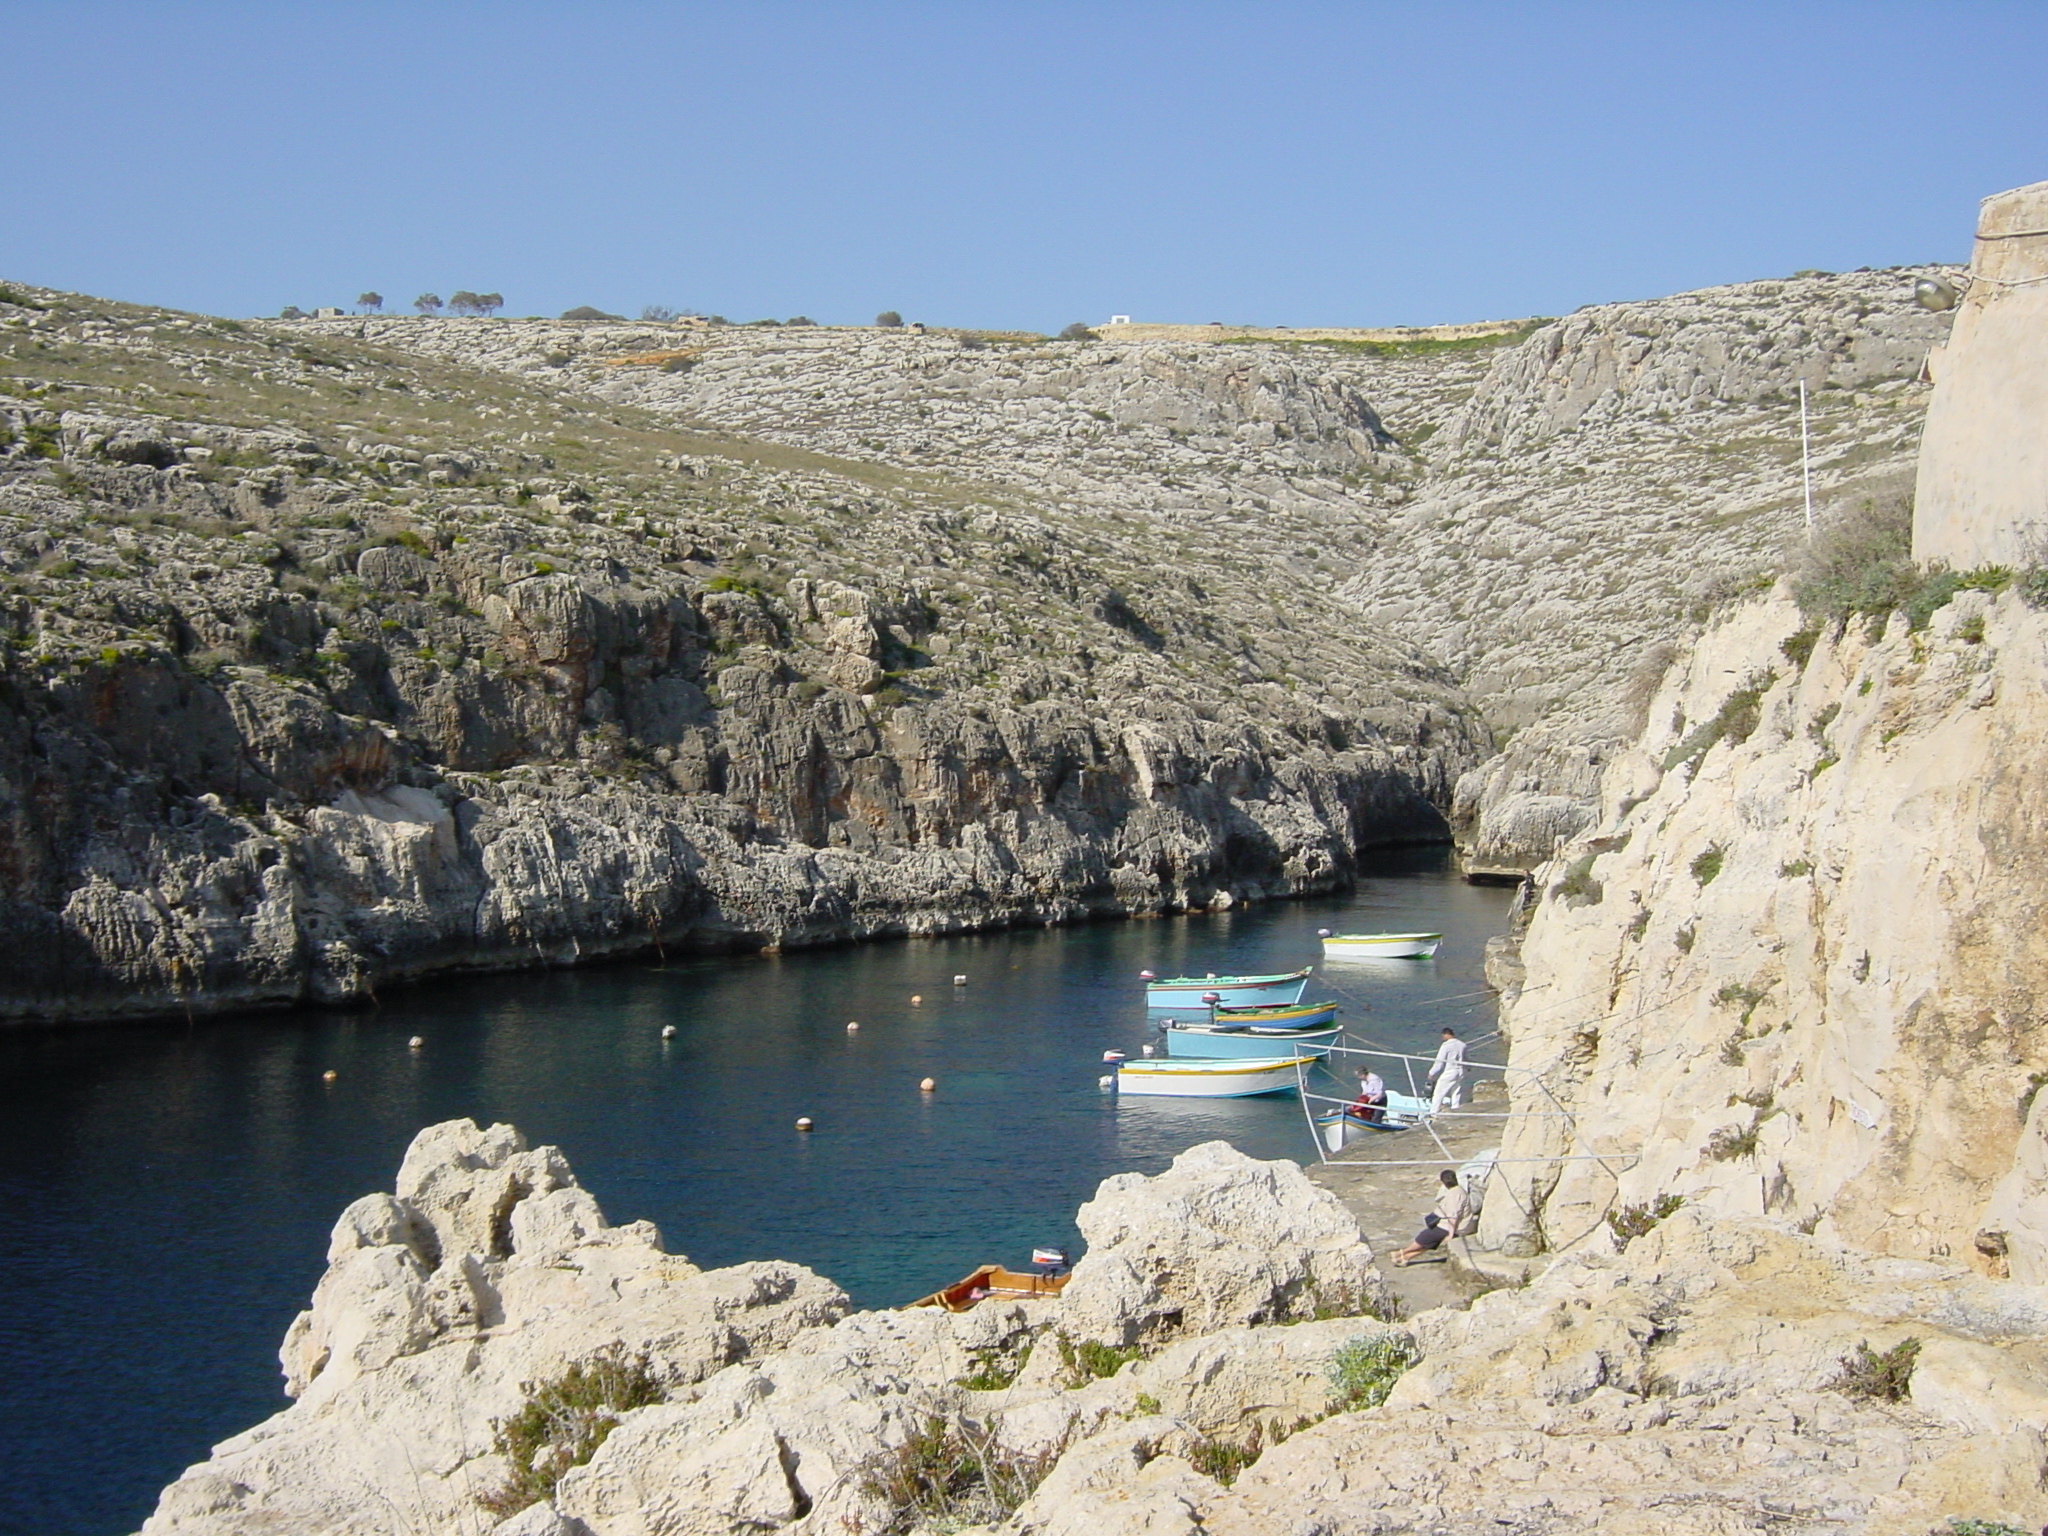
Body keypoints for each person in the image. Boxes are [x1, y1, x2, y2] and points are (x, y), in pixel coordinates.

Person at [1428, 1027, 1467, 1113]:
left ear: (1446, 1034)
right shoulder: (1462, 1045)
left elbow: (1439, 1062)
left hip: (1450, 1071)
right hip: (1460, 1071)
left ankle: (1433, 1113)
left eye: (1443, 1036)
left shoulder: (1446, 1046)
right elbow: (1465, 1059)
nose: (1442, 1038)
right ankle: (1455, 1110)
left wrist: (1432, 1072)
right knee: (1456, 1092)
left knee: (1439, 1093)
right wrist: (1468, 1068)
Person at [1431, 1168, 1471, 1237]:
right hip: (1446, 1222)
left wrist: (1450, 1235)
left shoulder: (1455, 1194)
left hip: (1452, 1227)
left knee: (1422, 1239)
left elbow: (1453, 1216)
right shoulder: (1456, 1190)